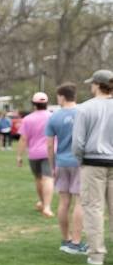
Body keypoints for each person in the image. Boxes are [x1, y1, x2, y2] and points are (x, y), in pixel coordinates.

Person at [72, 69, 113, 265]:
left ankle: (96, 254)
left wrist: (80, 159)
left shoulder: (85, 108)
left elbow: (77, 142)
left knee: (93, 208)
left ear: (97, 85)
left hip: (93, 162)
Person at [46, 83, 86, 254]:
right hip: (79, 162)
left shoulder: (54, 117)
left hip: (62, 162)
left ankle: (66, 239)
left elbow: (49, 145)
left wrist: (52, 165)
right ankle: (76, 242)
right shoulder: (83, 113)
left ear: (61, 96)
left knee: (64, 202)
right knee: (79, 201)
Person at [17, 92, 54, 218]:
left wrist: (19, 156)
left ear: (34, 104)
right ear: (46, 104)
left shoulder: (27, 119)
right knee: (48, 178)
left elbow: (23, 139)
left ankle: (43, 202)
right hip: (50, 152)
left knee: (38, 179)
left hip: (34, 154)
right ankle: (47, 207)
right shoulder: (52, 117)